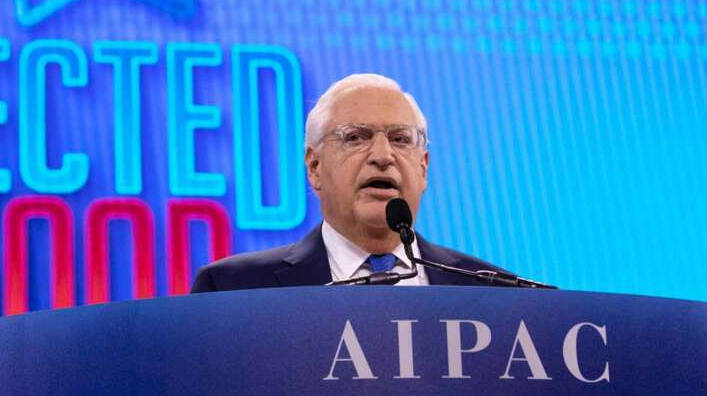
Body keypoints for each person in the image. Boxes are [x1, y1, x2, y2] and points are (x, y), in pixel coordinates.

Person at [191, 73, 507, 291]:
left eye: (400, 139)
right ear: (314, 168)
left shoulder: (497, 293)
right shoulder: (232, 289)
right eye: (356, 137)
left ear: (423, 168)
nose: (383, 156)